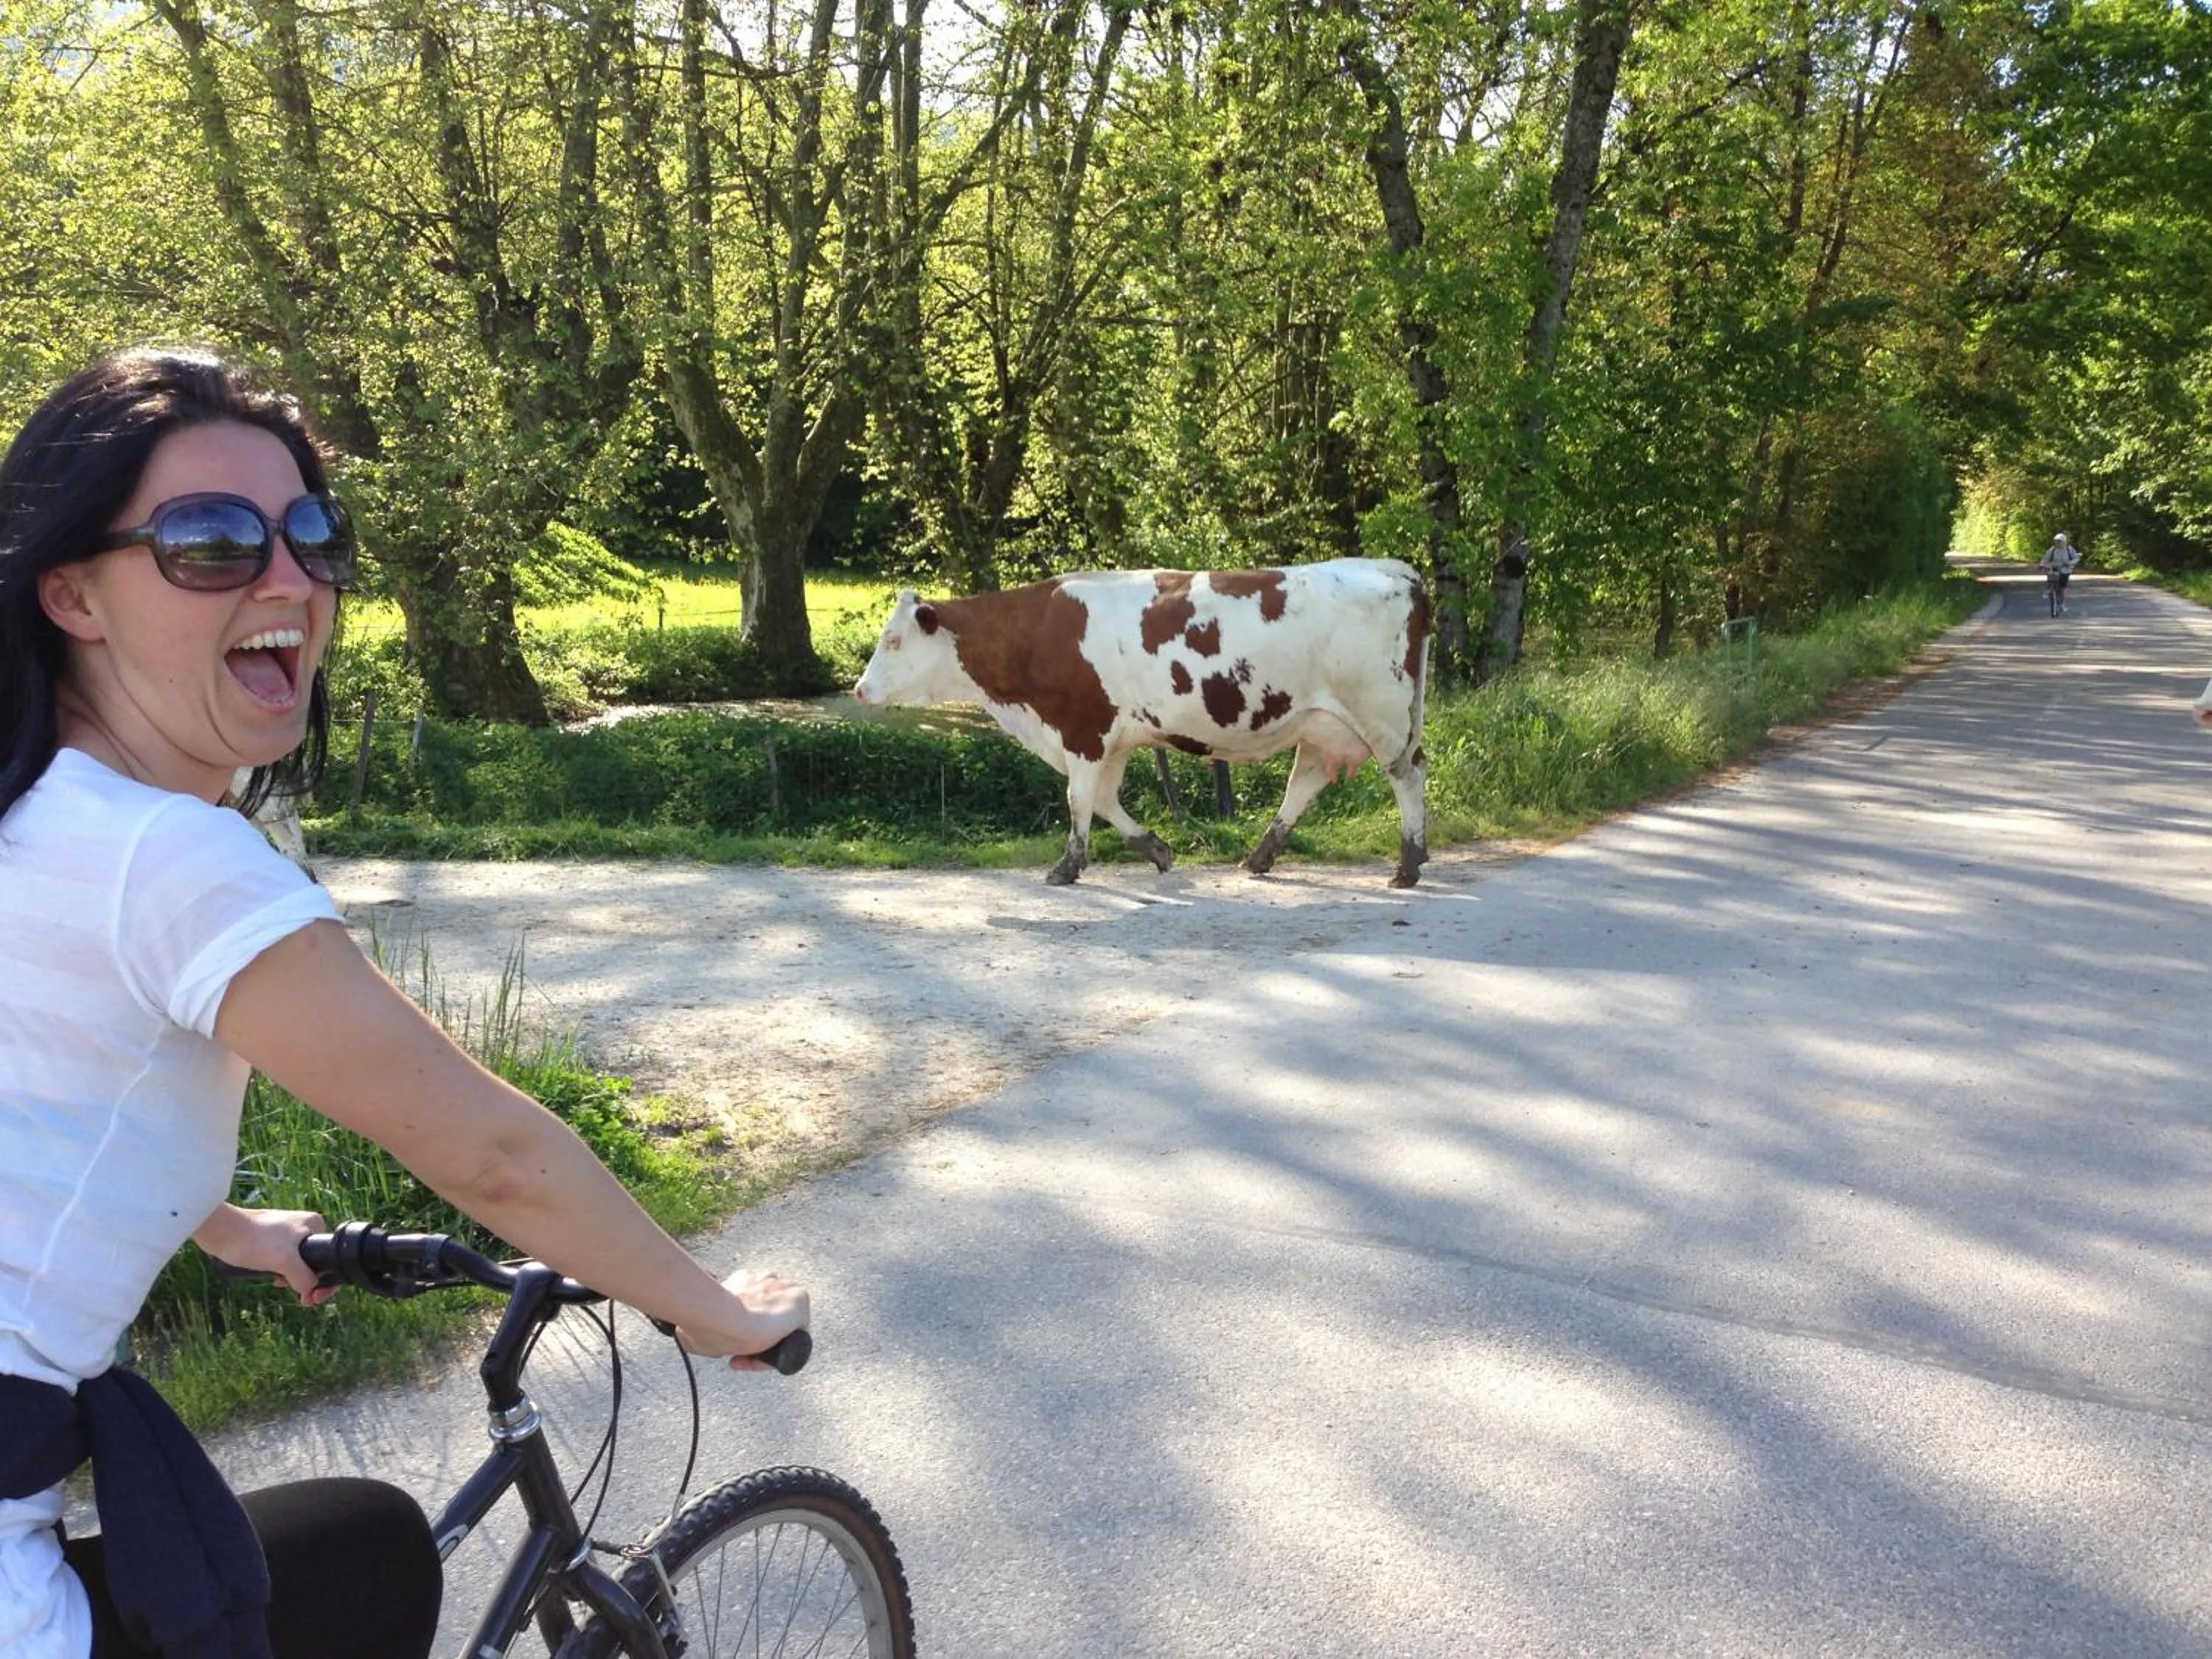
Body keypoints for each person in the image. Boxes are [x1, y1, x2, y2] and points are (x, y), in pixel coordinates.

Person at [0, 347, 810, 1659]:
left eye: (311, 534)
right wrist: (720, 1311)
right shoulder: (169, 859)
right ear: (70, 592)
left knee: (356, 1549)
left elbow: (44, 1092)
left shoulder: (34, 819)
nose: (286, 579)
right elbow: (492, 1155)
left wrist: (227, 1227)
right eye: (209, 541)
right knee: (365, 1563)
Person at [2038, 531, 2082, 615]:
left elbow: (2076, 558)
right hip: (2055, 568)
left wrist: (2070, 563)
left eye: (2059, 541)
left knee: (2061, 589)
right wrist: (2042, 565)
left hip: (2065, 570)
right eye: (2056, 541)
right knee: (2051, 577)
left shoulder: (2069, 549)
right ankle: (2049, 590)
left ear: (2064, 542)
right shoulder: (2053, 550)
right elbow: (2046, 558)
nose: (2057, 543)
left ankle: (2061, 604)